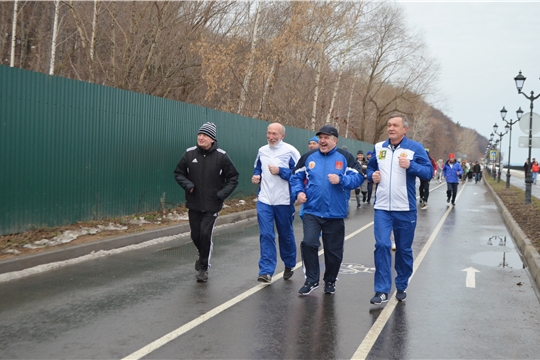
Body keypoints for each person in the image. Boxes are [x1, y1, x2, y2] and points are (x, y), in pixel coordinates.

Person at [366, 114, 433, 305]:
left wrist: (411, 166)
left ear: (405, 129)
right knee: (382, 245)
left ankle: (401, 284)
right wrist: (373, 176)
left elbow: (428, 172)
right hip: (382, 208)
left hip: (405, 208)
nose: (391, 128)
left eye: (395, 125)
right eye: (389, 125)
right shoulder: (379, 147)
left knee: (403, 249)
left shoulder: (415, 148)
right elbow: (370, 169)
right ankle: (381, 290)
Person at [290, 125, 362, 295]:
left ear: (334, 141)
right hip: (312, 211)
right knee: (308, 243)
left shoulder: (345, 157)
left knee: (333, 251)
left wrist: (341, 179)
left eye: (326, 138)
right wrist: (299, 192)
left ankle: (330, 280)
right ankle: (311, 280)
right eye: (320, 137)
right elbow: (295, 177)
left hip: (335, 213)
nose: (322, 141)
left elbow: (358, 177)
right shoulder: (308, 157)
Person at [174, 122, 239, 282]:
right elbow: (178, 173)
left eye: (205, 135)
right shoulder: (189, 154)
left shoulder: (222, 156)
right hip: (194, 203)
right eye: (199, 134)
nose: (201, 137)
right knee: (195, 235)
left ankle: (203, 268)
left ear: (212, 139)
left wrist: (221, 194)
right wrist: (188, 185)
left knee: (205, 234)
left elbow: (233, 178)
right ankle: (202, 253)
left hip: (212, 204)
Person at [252, 123, 301, 283]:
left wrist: (281, 171)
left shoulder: (291, 151)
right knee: (266, 234)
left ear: (282, 136)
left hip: (284, 201)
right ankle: (266, 271)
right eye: (269, 133)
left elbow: (298, 175)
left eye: (275, 134)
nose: (271, 137)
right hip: (265, 199)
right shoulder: (262, 150)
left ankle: (289, 263)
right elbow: (257, 168)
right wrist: (257, 176)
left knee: (285, 234)